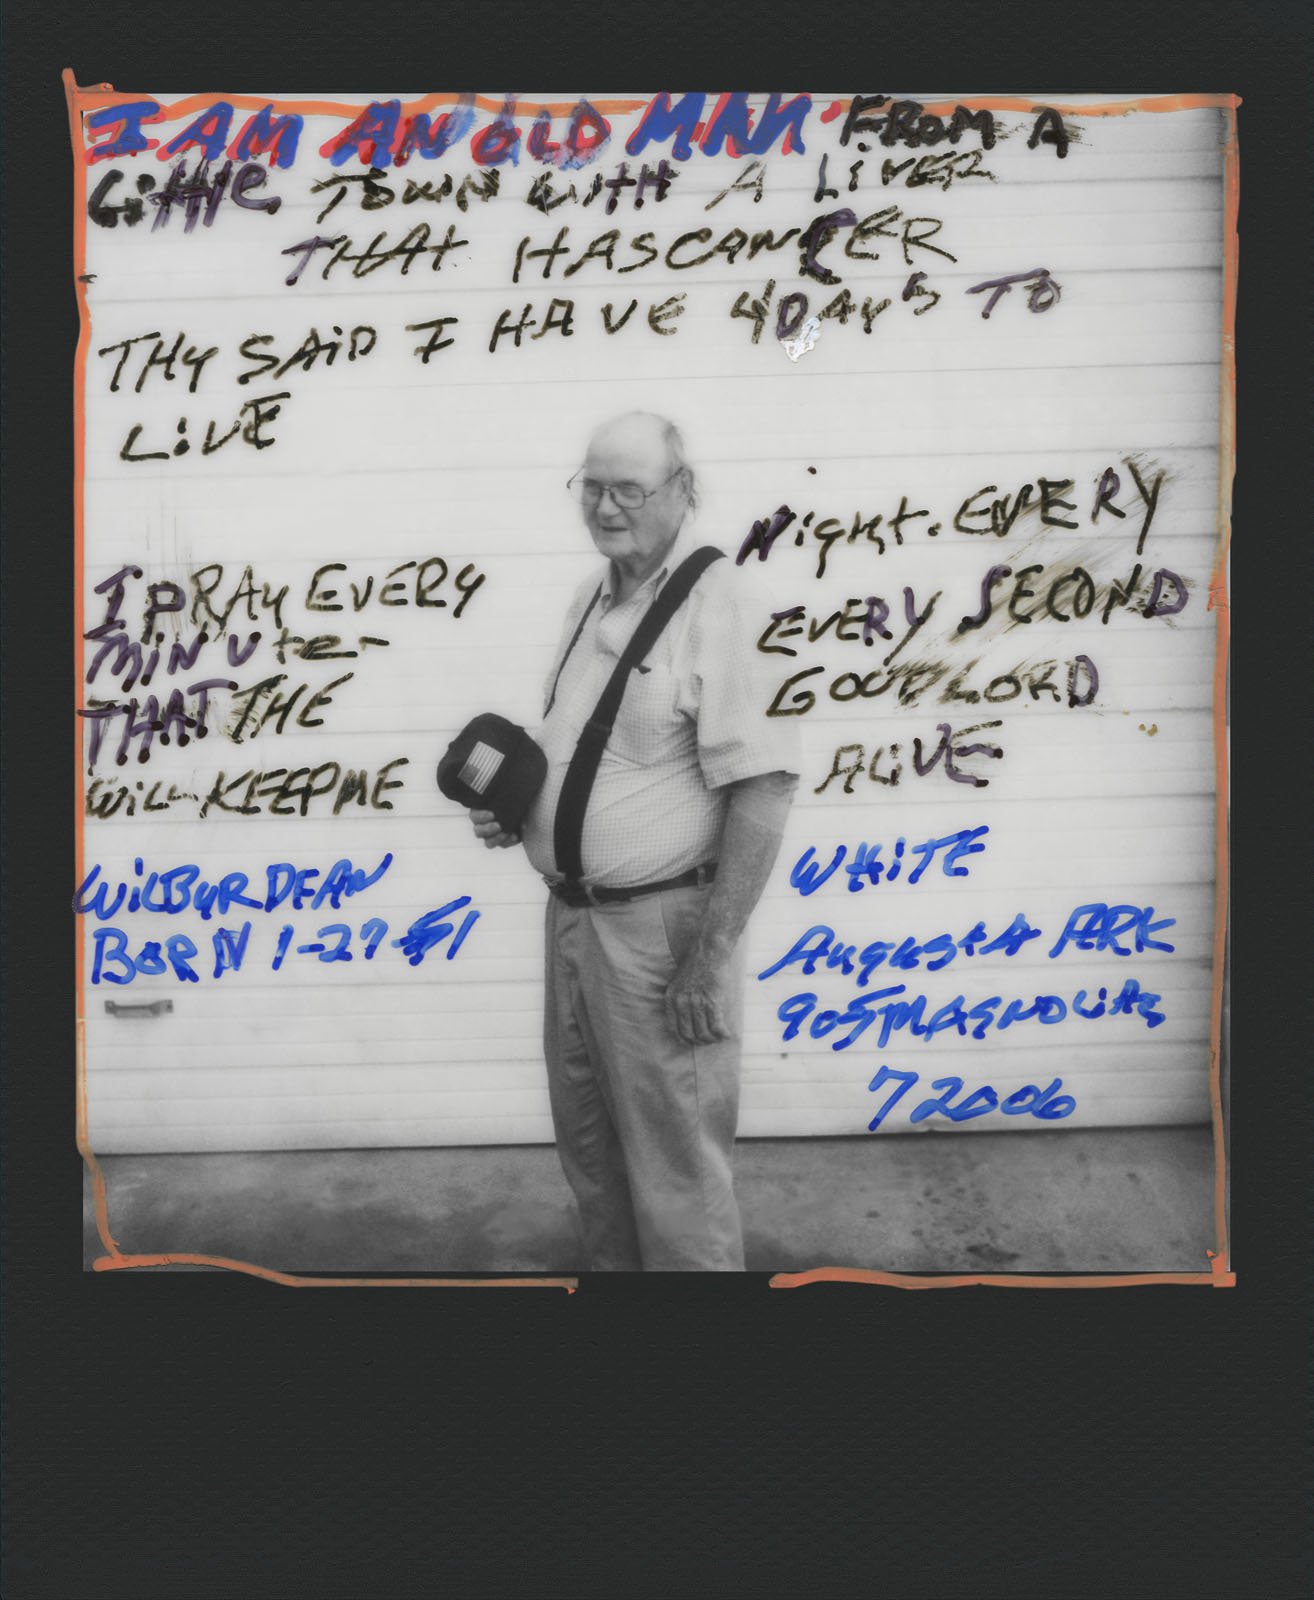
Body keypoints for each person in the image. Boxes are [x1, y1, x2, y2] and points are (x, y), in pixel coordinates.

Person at [470, 412, 800, 1270]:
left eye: (629, 489)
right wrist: (518, 812)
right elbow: (587, 744)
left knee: (677, 1173)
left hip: (662, 937)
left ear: (682, 493)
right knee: (593, 1155)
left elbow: (762, 786)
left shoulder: (721, 601)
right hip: (575, 925)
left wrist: (711, 953)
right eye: (592, 486)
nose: (606, 507)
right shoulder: (593, 593)